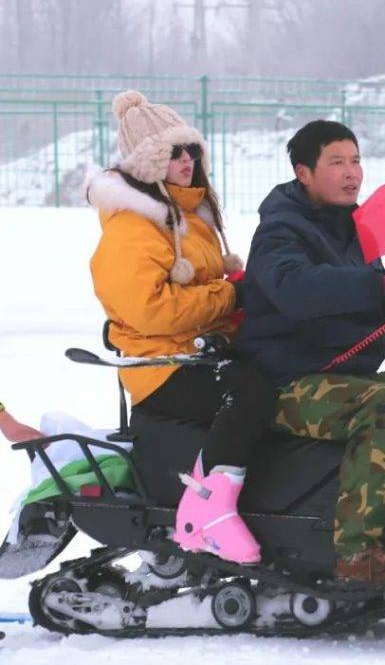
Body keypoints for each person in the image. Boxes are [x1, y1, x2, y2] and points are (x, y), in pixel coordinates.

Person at [236, 120, 385, 584]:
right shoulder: (280, 231)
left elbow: (379, 306)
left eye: (356, 160)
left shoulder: (354, 229)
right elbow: (297, 290)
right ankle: (358, 556)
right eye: (336, 162)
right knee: (381, 407)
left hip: (339, 372)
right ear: (303, 172)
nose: (352, 173)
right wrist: (378, 284)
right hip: (286, 381)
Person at [85, 91, 276, 565]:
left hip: (196, 352)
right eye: (173, 152)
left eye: (192, 149)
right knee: (248, 393)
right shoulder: (132, 228)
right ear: (149, 162)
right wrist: (229, 296)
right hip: (159, 369)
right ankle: (206, 513)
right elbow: (152, 310)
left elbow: (211, 286)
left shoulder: (190, 218)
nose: (187, 160)